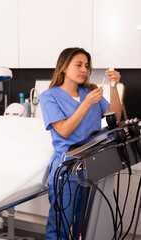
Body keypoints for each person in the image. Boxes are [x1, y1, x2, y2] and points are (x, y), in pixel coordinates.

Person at [39, 47, 122, 240]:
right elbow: (65, 130)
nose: (84, 69)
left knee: (84, 226)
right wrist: (86, 105)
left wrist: (113, 87)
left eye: (86, 65)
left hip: (92, 167)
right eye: (78, 64)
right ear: (63, 67)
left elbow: (115, 118)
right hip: (66, 171)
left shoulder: (90, 91)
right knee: (60, 225)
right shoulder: (49, 96)